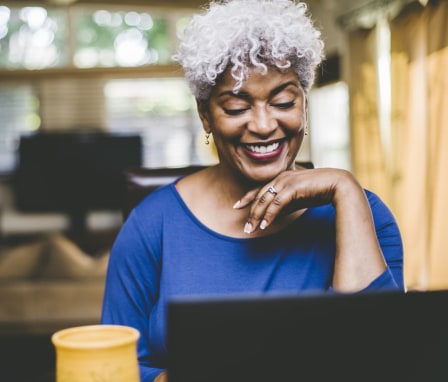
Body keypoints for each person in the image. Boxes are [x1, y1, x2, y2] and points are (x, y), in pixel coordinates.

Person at [101, 1, 404, 381]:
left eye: (283, 101)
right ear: (205, 114)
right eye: (235, 107)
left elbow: (383, 358)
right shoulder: (151, 227)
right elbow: (114, 371)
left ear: (304, 105)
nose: (263, 125)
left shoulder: (364, 215)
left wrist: (345, 188)